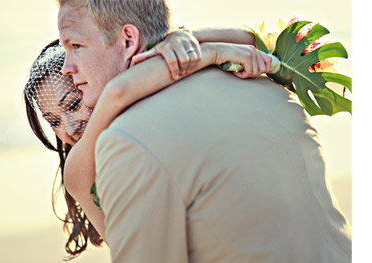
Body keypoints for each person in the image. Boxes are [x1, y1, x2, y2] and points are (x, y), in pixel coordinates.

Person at [56, 0, 352, 262]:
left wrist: (203, 47)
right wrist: (205, 47)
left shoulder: (130, 140)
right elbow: (259, 41)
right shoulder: (263, 82)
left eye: (76, 46)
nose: (67, 67)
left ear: (128, 40)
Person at [24, 29, 271, 257]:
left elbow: (253, 42)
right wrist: (211, 52)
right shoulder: (77, 171)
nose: (69, 127)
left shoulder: (143, 110)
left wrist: (182, 38)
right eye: (53, 121)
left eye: (74, 105)